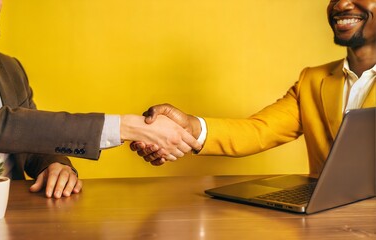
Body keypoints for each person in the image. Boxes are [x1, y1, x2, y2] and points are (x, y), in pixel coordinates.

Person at [0, 0, 201, 198]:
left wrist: (56, 165)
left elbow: (27, 139)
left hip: (13, 218)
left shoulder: (10, 68)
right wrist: (129, 127)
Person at [131, 0, 376, 174]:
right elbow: (257, 131)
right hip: (327, 221)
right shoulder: (312, 80)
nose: (341, 4)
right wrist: (190, 127)